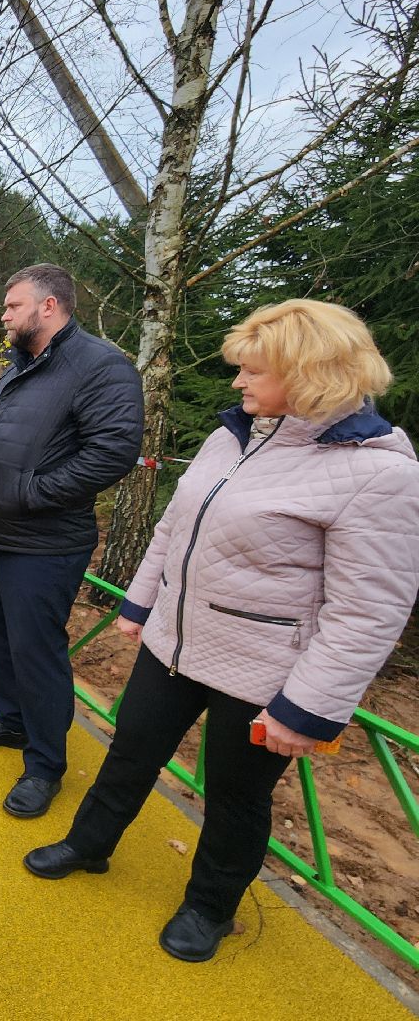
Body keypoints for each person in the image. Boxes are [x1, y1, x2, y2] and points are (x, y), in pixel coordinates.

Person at [23, 299, 419, 962]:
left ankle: (209, 907)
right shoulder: (234, 437)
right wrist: (141, 605)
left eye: (254, 371)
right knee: (130, 753)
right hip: (173, 646)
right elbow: (174, 528)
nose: (238, 383)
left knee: (237, 796)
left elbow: (369, 608)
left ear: (310, 374)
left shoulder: (378, 473)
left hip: (265, 671)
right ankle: (88, 846)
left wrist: (309, 708)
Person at [0, 264, 144, 818]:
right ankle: (10, 722)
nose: (5, 316)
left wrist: (32, 493)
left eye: (13, 306)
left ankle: (44, 765)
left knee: (36, 651)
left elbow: (112, 452)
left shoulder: (100, 366)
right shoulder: (20, 367)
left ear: (49, 306)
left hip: (44, 541)